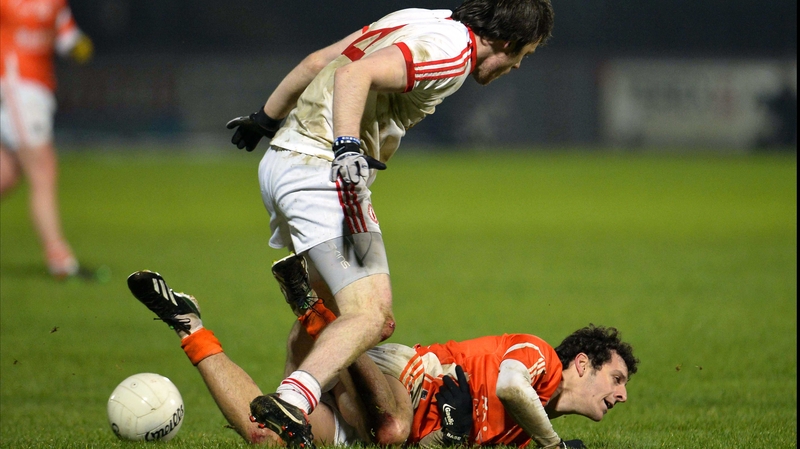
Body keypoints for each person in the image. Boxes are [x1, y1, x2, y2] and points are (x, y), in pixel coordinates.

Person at [225, 0, 555, 442]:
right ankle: (293, 399)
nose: (517, 66)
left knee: (329, 310)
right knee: (373, 316)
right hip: (325, 174)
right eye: (523, 55)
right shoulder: (452, 52)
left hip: (285, 161)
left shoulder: (421, 18)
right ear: (508, 42)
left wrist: (266, 118)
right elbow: (352, 74)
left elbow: (320, 62)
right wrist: (346, 146)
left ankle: (288, 426)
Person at [125, 263, 638, 449]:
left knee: (268, 439)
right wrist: (554, 445)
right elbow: (508, 386)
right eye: (616, 378)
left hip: (372, 422)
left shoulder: (524, 436)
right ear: (582, 363)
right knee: (391, 427)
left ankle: (189, 327)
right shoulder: (540, 357)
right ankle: (315, 311)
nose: (621, 395)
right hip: (402, 376)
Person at [0, 0, 93, 279]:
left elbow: (68, 38)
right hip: (16, 84)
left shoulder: (56, 3)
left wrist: (79, 47)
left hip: (38, 88)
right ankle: (59, 258)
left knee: (6, 175)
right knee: (43, 169)